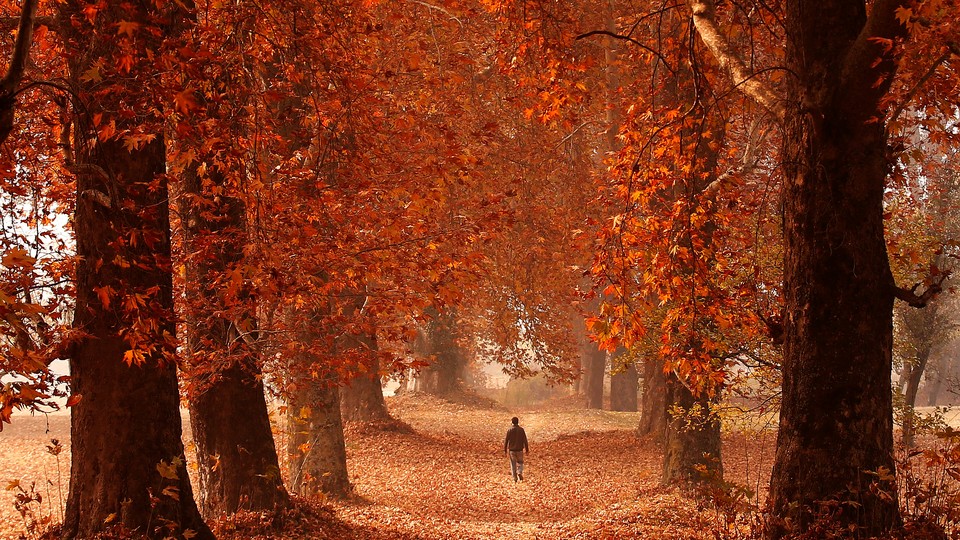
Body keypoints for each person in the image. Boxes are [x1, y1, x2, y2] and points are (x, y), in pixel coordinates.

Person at [503, 416, 529, 482]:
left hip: (512, 450)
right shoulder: (521, 430)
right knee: (520, 462)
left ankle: (515, 478)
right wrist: (527, 449)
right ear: (518, 422)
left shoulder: (509, 430)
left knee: (513, 464)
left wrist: (505, 450)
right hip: (520, 449)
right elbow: (525, 440)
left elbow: (506, 440)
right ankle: (519, 471)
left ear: (512, 422)